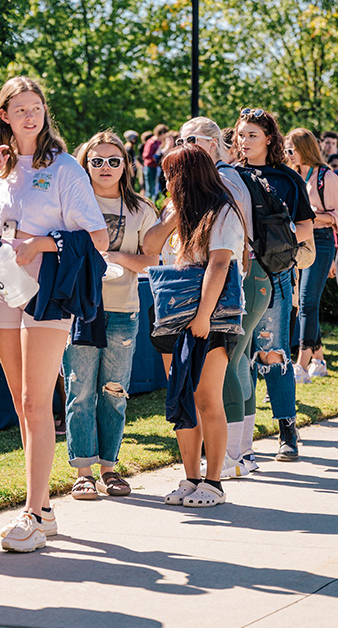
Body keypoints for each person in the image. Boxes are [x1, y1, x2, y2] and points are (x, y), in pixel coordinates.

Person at [0, 76, 108, 552]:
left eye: (37, 106)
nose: (31, 115)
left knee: (35, 401)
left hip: (48, 288)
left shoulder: (65, 167)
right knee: (22, 405)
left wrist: (40, 244)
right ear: (3, 115)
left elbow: (99, 238)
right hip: (4, 286)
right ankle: (42, 508)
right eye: (20, 108)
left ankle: (35, 511)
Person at [145, 144, 245, 507]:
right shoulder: (174, 210)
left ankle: (214, 481)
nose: (167, 181)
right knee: (180, 397)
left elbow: (219, 265)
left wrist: (203, 315)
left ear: (189, 177)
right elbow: (150, 245)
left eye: (173, 175)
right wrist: (173, 216)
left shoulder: (222, 212)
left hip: (212, 317)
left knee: (206, 396)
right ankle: (190, 476)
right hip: (173, 316)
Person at [64, 131, 159, 500]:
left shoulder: (141, 209)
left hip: (123, 309)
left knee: (114, 391)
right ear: (84, 163)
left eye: (113, 161)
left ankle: (110, 468)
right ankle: (83, 471)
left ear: (126, 165)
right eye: (97, 161)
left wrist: (117, 258)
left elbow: (153, 259)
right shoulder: (70, 203)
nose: (105, 167)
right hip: (79, 309)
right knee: (80, 390)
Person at [234, 108, 316, 461]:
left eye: (252, 134)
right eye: (240, 135)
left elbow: (308, 243)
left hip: (274, 276)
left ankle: (287, 429)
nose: (244, 141)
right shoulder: (228, 176)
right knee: (238, 356)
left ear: (269, 138)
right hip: (234, 276)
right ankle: (241, 436)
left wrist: (284, 263)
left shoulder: (288, 180)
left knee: (273, 352)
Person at [284, 128, 338, 383]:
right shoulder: (291, 175)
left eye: (292, 149)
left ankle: (302, 363)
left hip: (320, 240)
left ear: (304, 149)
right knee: (301, 302)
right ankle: (319, 360)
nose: (289, 154)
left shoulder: (326, 177)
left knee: (308, 301)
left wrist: (312, 215)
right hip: (296, 241)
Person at [142, 124, 168, 198]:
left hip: (157, 167)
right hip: (150, 167)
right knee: (150, 187)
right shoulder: (151, 142)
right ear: (162, 133)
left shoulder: (160, 142)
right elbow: (146, 155)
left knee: (156, 188)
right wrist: (155, 157)